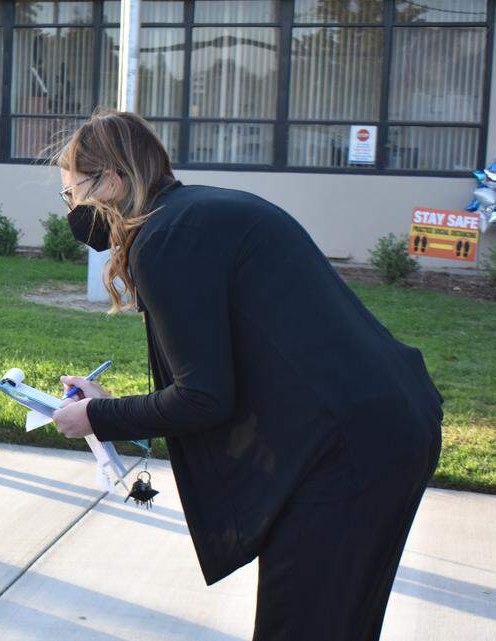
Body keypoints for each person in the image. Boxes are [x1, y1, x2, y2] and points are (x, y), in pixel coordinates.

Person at [50, 111, 443, 641]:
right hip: (376, 425)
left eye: (72, 194)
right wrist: (113, 407)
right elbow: (227, 375)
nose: (72, 211)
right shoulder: (198, 214)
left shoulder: (167, 239)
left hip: (348, 449)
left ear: (113, 183)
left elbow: (204, 398)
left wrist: (95, 416)